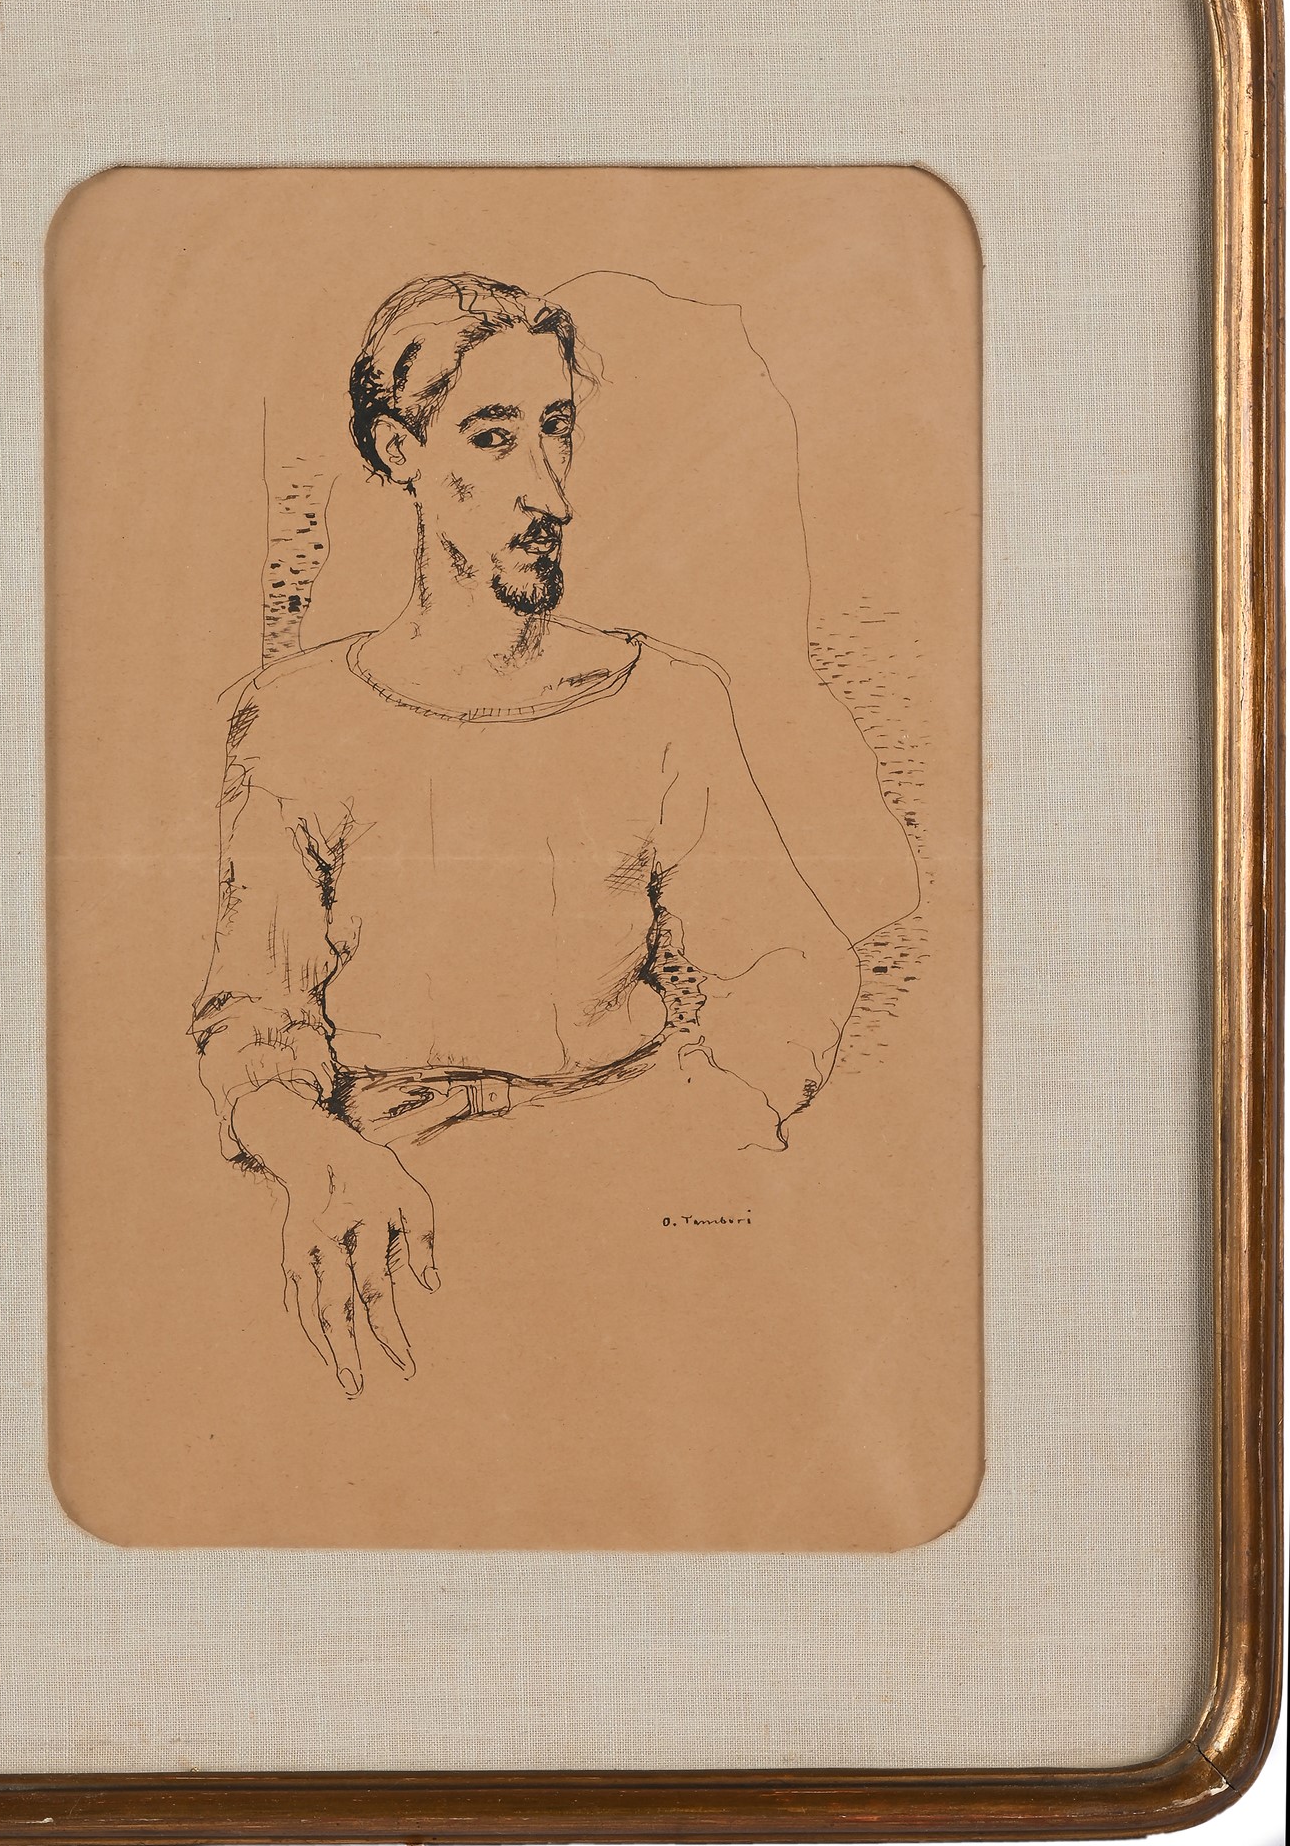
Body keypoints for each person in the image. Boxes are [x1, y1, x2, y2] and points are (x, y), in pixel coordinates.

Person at [190, 274, 859, 1397]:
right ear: (400, 452)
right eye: (492, 438)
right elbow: (253, 1016)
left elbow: (789, 960)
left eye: (557, 429)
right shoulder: (296, 718)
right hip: (386, 1199)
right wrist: (314, 1151)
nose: (548, 490)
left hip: (633, 1191)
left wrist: (719, 1121)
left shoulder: (664, 699)